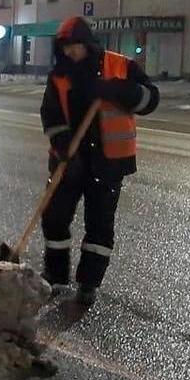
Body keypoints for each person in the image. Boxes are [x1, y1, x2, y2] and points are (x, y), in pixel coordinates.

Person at [39, 17, 160, 306]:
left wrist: (118, 90)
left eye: (75, 46)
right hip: (70, 162)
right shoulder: (59, 76)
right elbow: (51, 115)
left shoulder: (120, 67)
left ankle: (88, 283)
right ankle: (55, 278)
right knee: (54, 218)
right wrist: (63, 144)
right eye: (65, 48)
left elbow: (151, 99)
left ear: (87, 43)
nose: (70, 53)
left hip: (107, 164)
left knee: (100, 226)